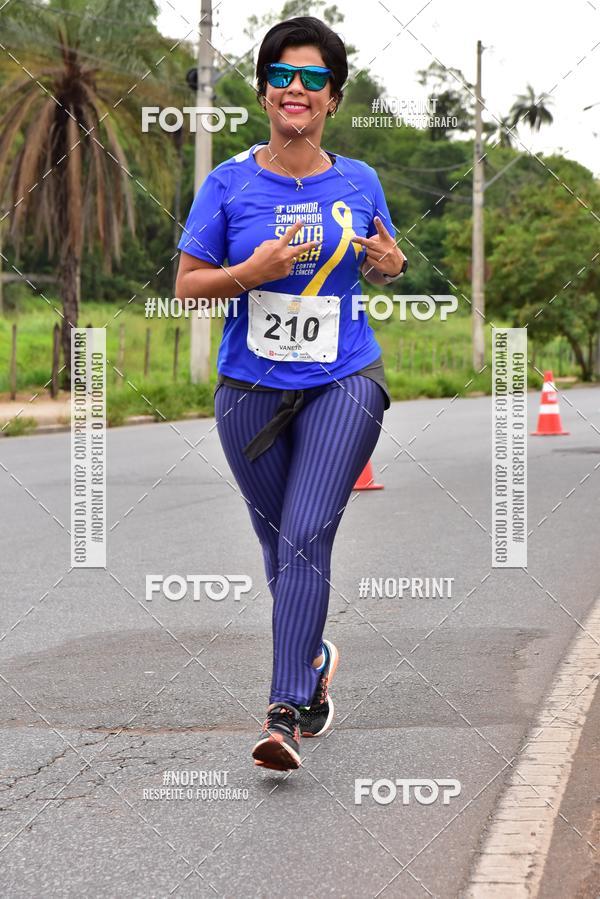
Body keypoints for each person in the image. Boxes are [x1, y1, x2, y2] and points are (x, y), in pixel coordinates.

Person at [175, 16, 407, 772]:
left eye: (312, 78)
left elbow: (382, 262)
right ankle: (311, 668)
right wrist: (252, 271)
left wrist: (388, 262)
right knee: (281, 545)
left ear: (334, 97)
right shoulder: (229, 182)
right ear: (263, 92)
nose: (296, 89)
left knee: (306, 534)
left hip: (345, 379)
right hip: (249, 391)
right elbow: (186, 287)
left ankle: (284, 714)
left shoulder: (359, 179)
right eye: (282, 75)